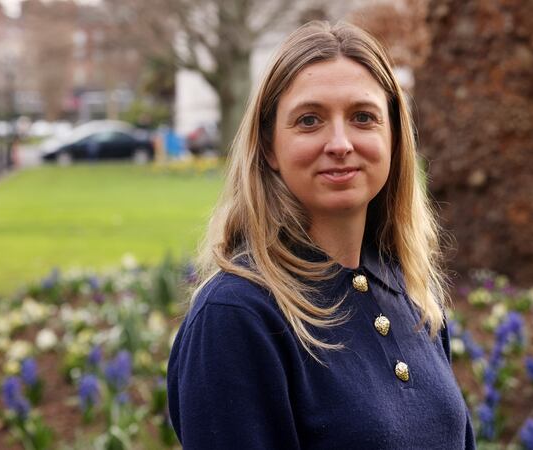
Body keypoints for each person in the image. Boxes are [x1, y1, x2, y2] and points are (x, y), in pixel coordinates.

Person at [167, 20, 476, 449]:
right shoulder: (237, 314)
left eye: (363, 117)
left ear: (394, 138)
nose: (340, 143)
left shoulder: (411, 292)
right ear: (270, 147)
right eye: (309, 120)